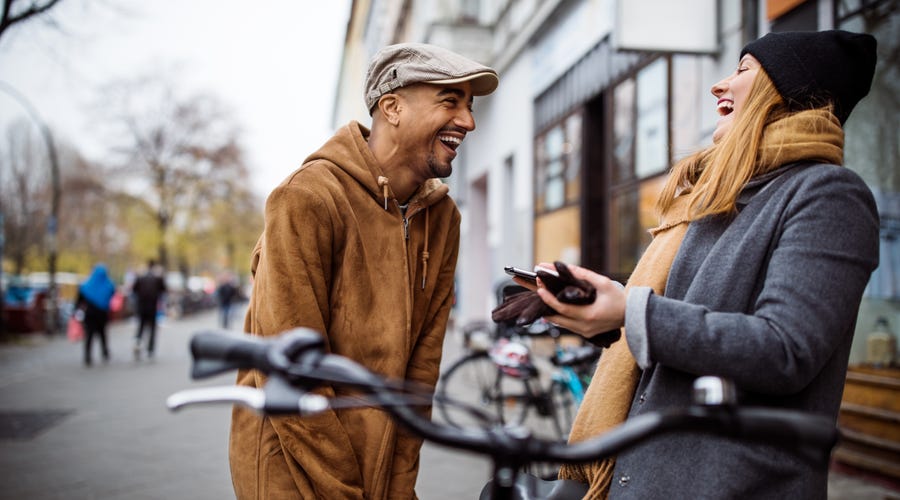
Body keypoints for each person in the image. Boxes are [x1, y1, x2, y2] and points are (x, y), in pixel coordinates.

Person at [515, 30, 879, 499]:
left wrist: (632, 311)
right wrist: (594, 311)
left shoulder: (828, 195)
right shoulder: (715, 197)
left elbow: (785, 350)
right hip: (640, 478)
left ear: (786, 91)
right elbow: (685, 320)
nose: (719, 85)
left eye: (744, 70)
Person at [229, 43, 499, 499]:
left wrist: (398, 482)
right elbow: (292, 374)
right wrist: (345, 492)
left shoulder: (443, 219)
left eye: (469, 107)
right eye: (450, 101)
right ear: (391, 107)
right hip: (292, 472)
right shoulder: (309, 197)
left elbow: (421, 372)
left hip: (382, 473)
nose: (468, 121)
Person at [76, 264, 116, 366]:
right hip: (102, 314)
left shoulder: (87, 285)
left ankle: (87, 356)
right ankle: (105, 353)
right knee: (102, 334)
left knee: (89, 335)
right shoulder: (108, 285)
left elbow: (80, 300)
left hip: (89, 314)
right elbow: (113, 293)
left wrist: (76, 311)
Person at [131, 259, 167, 360]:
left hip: (141, 306)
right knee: (152, 328)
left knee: (141, 327)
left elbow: (134, 290)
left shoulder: (140, 277)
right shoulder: (157, 278)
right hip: (152, 306)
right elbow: (163, 290)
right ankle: (150, 349)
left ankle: (137, 343)